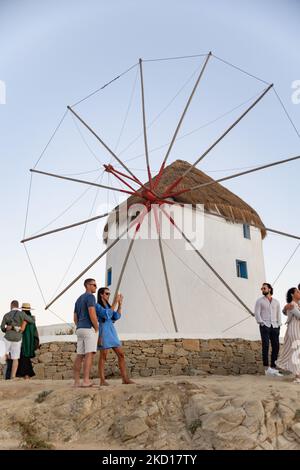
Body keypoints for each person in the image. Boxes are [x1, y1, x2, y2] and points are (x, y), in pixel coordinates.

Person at [96, 287, 134, 386]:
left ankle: (125, 379)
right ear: (101, 294)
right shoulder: (97, 306)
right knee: (103, 356)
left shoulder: (109, 305)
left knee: (121, 354)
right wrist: (115, 303)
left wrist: (120, 305)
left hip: (112, 331)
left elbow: (116, 316)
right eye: (107, 293)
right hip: (104, 331)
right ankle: (102, 380)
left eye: (109, 293)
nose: (109, 295)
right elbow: (106, 314)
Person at [73, 278, 99, 387]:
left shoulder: (78, 299)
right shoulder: (91, 297)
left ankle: (76, 382)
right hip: (88, 328)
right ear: (87, 285)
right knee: (89, 354)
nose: (95, 287)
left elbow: (75, 317)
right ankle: (86, 381)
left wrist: (79, 325)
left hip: (79, 328)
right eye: (94, 285)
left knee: (79, 355)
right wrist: (96, 327)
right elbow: (92, 312)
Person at [1, 300, 35, 379]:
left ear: (11, 306)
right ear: (18, 306)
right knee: (15, 358)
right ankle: (13, 376)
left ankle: (5, 356)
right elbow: (32, 321)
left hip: (8, 337)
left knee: (2, 353)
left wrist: (7, 328)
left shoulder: (7, 315)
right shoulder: (22, 314)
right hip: (18, 338)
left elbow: (2, 328)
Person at [254, 283, 282, 376]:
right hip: (265, 325)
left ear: (269, 289)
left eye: (264, 288)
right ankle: (266, 369)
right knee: (265, 346)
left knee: (276, 346)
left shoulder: (276, 302)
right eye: (262, 288)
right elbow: (257, 313)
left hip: (275, 326)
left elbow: (279, 314)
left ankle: (273, 367)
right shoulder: (259, 301)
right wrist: (261, 323)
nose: (262, 289)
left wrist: (278, 325)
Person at [276, 287, 300, 383]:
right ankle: (298, 376)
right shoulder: (292, 305)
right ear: (292, 294)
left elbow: (286, 312)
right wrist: (285, 309)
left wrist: (284, 309)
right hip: (295, 330)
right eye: (297, 292)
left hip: (296, 329)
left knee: (296, 352)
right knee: (296, 352)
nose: (299, 293)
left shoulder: (296, 304)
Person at [16, 303, 39, 379]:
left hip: (24, 343)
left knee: (24, 361)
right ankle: (27, 378)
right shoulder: (32, 320)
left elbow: (22, 330)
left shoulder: (25, 319)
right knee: (26, 361)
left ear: (23, 310)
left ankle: (26, 378)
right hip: (30, 343)